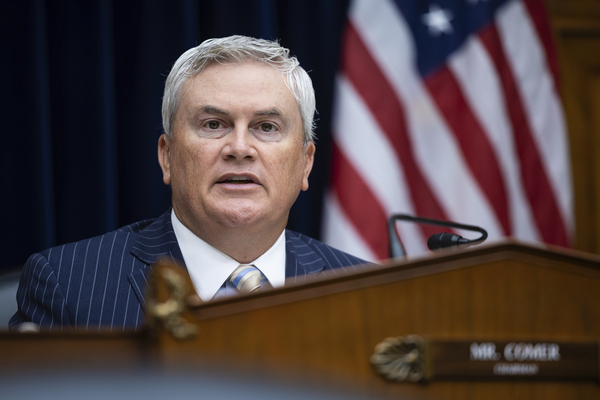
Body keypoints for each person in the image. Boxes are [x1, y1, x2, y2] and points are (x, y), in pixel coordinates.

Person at [10, 35, 369, 331]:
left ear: (305, 163)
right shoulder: (68, 285)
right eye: (213, 124)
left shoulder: (366, 290)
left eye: (266, 127)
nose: (240, 148)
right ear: (167, 156)